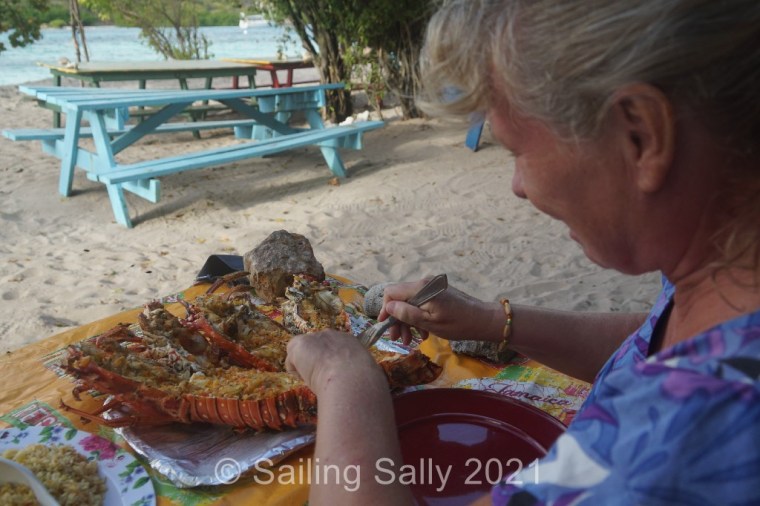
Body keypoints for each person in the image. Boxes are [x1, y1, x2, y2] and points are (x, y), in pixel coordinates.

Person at [285, 0, 760, 504]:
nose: (518, 186)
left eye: (518, 151)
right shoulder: (724, 278)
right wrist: (492, 321)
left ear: (640, 134)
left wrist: (346, 379)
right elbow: (655, 343)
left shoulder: (687, 429)